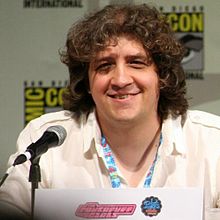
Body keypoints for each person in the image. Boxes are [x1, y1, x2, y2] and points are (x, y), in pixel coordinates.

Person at [0, 3, 220, 219]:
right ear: (86, 81)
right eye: (105, 66)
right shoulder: (45, 141)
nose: (121, 80)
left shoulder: (213, 142)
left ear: (162, 76)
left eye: (136, 63)